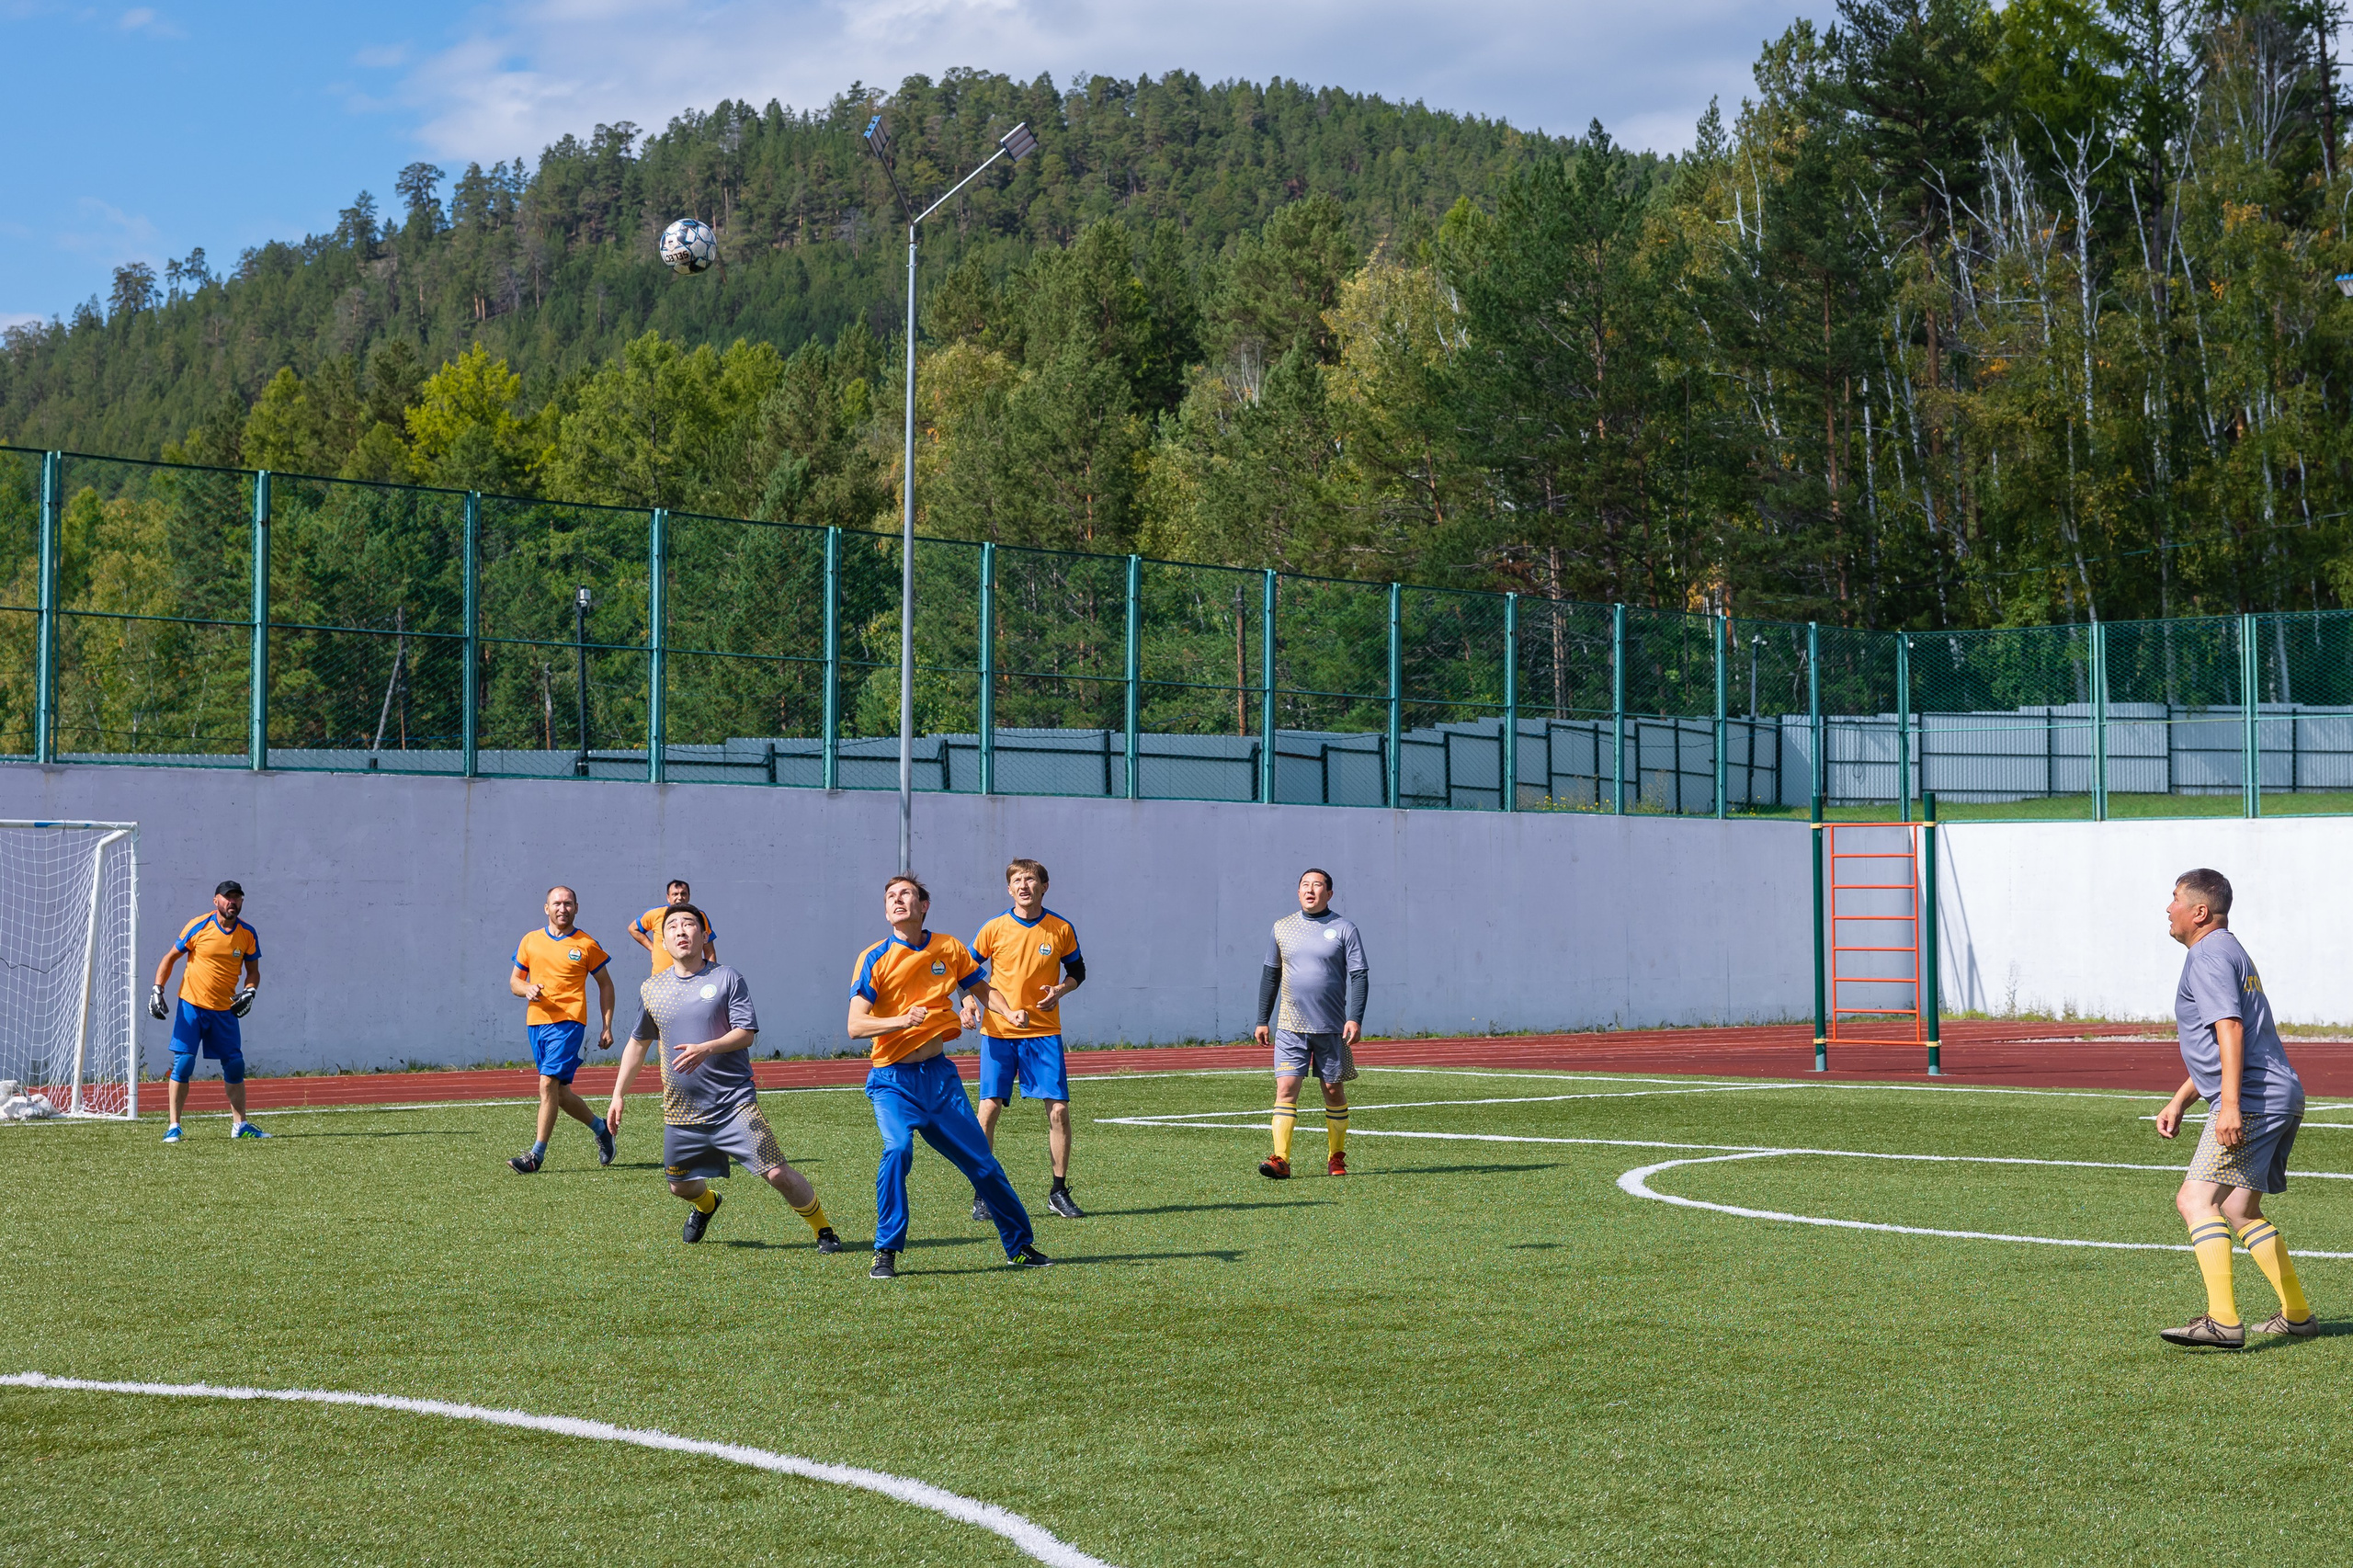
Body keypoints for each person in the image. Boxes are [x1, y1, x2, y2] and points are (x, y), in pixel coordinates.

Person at [847, 872, 1051, 1279]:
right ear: (886, 911)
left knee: (983, 1163)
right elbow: (855, 1025)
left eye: (906, 894)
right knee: (897, 1150)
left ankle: (1019, 1247)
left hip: (940, 1080)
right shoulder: (874, 957)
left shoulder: (948, 947)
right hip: (893, 1081)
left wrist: (1008, 1011)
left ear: (923, 906)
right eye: (890, 896)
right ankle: (885, 1250)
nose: (897, 900)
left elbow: (981, 988)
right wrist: (901, 1020)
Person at [607, 903, 841, 1253]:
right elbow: (638, 1044)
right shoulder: (651, 989)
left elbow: (746, 1033)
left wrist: (707, 1048)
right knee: (680, 1187)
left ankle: (824, 1231)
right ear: (662, 941)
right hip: (680, 1111)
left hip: (733, 1104)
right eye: (672, 926)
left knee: (777, 1173)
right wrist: (618, 1094)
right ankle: (707, 1204)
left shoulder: (727, 978)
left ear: (704, 935)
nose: (681, 930)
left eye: (689, 924)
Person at [2154, 867, 2315, 1348]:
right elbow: (2223, 1042)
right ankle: (2297, 1316)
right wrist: (2182, 1098)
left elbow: (2231, 1030)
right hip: (2279, 1094)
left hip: (2253, 1099)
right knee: (2240, 1208)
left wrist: (2228, 1105)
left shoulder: (2206, 955)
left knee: (2195, 1200)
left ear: (2200, 912)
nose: (2168, 908)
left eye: (2175, 898)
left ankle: (2222, 1321)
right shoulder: (2230, 951)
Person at [971, 858, 1087, 1221]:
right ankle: (982, 1193)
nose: (1024, 885)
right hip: (999, 1032)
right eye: (1017, 880)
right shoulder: (993, 928)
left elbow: (1078, 971)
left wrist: (1060, 990)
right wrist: (967, 1002)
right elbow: (967, 971)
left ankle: (1058, 1191)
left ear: (1044, 886)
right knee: (988, 1110)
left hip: (1044, 1033)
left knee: (1059, 1111)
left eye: (1031, 879)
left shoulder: (1060, 928)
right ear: (1009, 889)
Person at [1254, 867, 1368, 1179]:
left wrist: (1355, 1018)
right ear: (1298, 891)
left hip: (1331, 1027)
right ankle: (1281, 1159)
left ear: (1329, 893)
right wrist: (1263, 1019)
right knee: (1286, 1087)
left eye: (1317, 885)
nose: (1310, 889)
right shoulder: (1282, 927)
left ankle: (1336, 1158)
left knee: (1333, 1089)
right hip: (1290, 1026)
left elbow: (1359, 975)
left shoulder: (1344, 928)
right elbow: (1270, 975)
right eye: (1305, 884)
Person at [507, 885, 617, 1174]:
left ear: (576, 908)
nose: (562, 908)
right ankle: (602, 1130)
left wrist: (607, 1025)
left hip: (569, 1022)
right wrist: (527, 988)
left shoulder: (586, 944)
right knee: (560, 1093)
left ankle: (536, 1156)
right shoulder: (530, 940)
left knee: (546, 1084)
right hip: (537, 1023)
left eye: (568, 903)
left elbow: (606, 984)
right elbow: (515, 982)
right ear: (546, 908)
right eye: (557, 903)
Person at [149, 879, 265, 1142]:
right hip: (192, 1005)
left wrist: (250, 991)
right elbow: (170, 958)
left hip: (225, 1010)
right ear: (216, 901)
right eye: (227, 897)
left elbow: (253, 972)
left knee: (235, 1066)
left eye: (237, 897)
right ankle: (174, 1126)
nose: (232, 901)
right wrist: (157, 989)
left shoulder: (248, 933)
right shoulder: (199, 925)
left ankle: (240, 1126)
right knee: (184, 1063)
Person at [631, 879, 717, 974]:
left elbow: (709, 951)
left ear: (689, 896)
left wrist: (711, 975)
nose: (680, 898)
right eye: (675, 894)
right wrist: (651, 948)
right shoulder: (655, 914)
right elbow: (633, 929)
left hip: (694, 977)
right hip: (661, 978)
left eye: (683, 894)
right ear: (668, 897)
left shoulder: (698, 916)